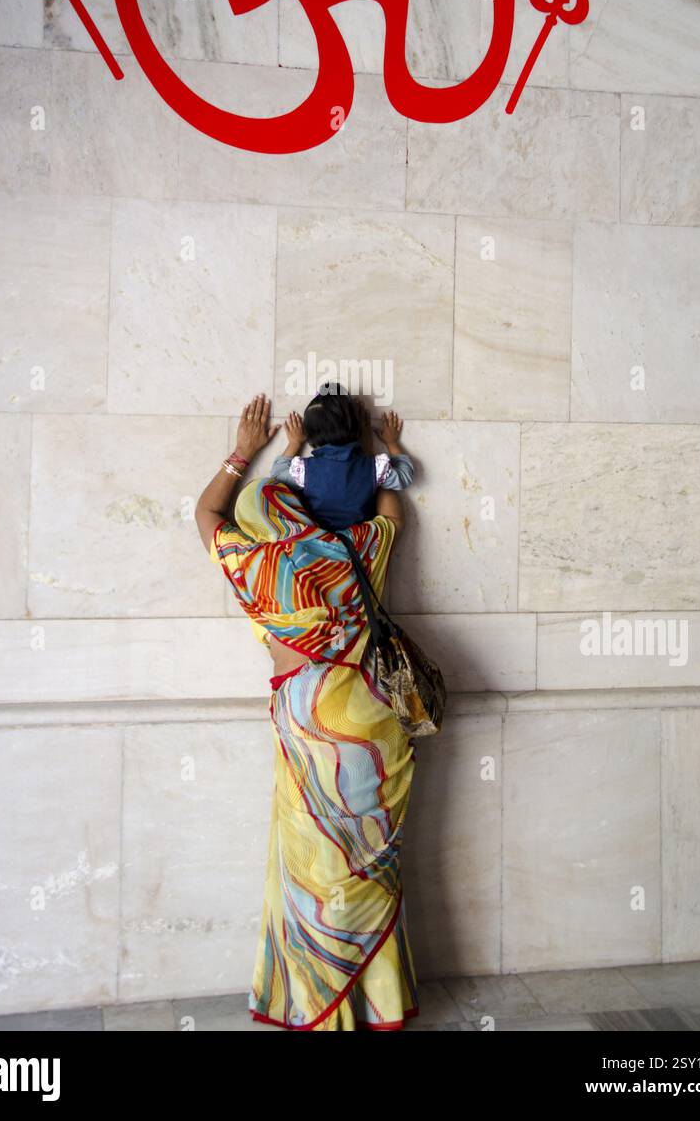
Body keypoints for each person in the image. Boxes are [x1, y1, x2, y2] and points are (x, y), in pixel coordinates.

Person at [195, 393, 419, 1031]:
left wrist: (248, 451)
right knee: (367, 862)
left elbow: (207, 511)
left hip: (306, 719)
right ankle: (379, 1005)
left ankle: (319, 1005)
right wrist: (377, 457)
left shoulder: (267, 563)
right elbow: (392, 511)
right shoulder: (366, 549)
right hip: (374, 720)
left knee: (312, 865)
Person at [268, 382, 414, 531]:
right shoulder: (374, 468)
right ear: (359, 429)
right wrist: (392, 443)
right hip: (358, 541)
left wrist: (294, 444)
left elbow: (277, 475)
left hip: (320, 541)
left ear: (310, 436)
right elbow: (405, 476)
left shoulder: (305, 471)